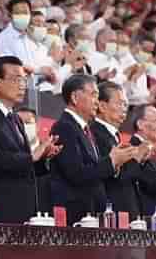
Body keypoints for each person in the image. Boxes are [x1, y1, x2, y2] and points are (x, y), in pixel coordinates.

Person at [0, 56, 60, 224]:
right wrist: (32, 156)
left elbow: (24, 165)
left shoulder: (15, 118)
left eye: (24, 80)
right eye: (16, 79)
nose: (22, 85)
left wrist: (43, 158)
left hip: (24, 208)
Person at [49, 74, 137, 225]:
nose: (97, 101)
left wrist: (113, 161)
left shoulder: (84, 129)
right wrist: (111, 161)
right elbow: (76, 173)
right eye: (93, 95)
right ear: (75, 97)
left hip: (92, 213)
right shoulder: (64, 127)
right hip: (77, 216)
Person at [90, 82, 150, 219]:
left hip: (127, 211)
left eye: (126, 105)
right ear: (102, 106)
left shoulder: (113, 135)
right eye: (120, 104)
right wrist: (137, 157)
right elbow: (115, 176)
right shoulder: (95, 133)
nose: (124, 109)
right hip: (111, 213)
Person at [128, 105, 156, 216]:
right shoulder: (133, 148)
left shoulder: (149, 150)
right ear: (140, 124)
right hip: (141, 217)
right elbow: (151, 183)